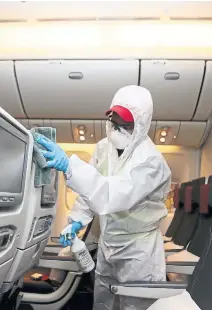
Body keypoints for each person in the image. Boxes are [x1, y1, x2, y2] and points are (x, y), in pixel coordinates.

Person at [36, 85, 172, 310]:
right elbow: (90, 190)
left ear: (141, 125)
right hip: (108, 243)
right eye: (113, 122)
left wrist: (69, 166)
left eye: (125, 125)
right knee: (103, 300)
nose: (116, 130)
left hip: (138, 249)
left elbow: (112, 194)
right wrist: (77, 220)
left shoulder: (151, 163)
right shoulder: (103, 148)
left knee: (135, 305)